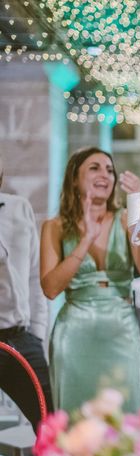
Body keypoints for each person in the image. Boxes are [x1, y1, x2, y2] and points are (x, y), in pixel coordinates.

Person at [40, 147, 140, 413]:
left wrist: (137, 206)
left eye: (110, 170)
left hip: (121, 329)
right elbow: (51, 288)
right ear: (74, 178)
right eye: (95, 168)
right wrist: (86, 239)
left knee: (127, 413)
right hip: (75, 332)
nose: (105, 174)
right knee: (77, 418)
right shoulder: (54, 227)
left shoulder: (125, 219)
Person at [0, 155, 53, 432]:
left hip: (21, 338)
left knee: (50, 426)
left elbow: (34, 277)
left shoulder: (20, 208)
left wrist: (37, 334)